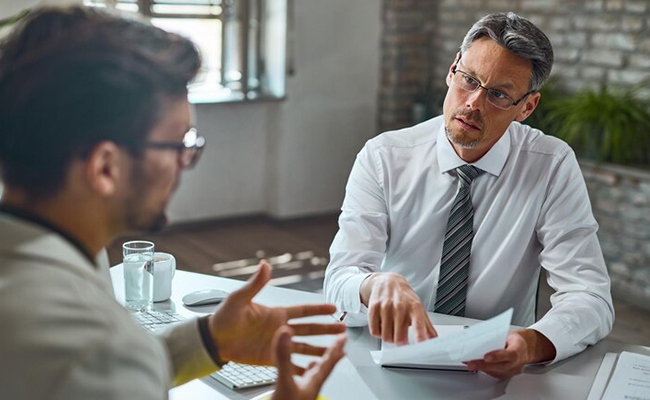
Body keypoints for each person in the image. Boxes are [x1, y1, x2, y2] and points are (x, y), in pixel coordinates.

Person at [0, 5, 346, 399]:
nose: (185, 164)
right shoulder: (94, 345)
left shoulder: (54, 267)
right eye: (177, 145)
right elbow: (103, 369)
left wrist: (209, 340)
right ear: (105, 167)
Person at [324, 12, 614, 379]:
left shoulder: (551, 166)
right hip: (388, 357)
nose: (474, 103)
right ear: (451, 71)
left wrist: (534, 342)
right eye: (469, 80)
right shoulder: (384, 157)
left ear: (527, 107)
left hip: (496, 369)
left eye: (498, 94)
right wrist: (373, 284)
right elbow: (339, 282)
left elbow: (590, 297)